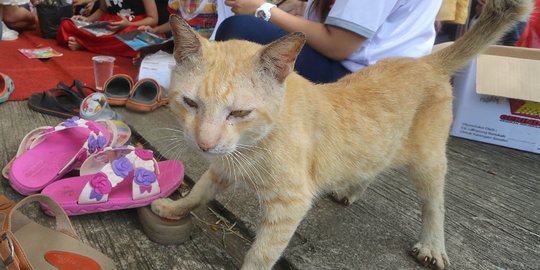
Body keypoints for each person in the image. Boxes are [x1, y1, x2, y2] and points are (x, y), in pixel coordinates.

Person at [215, 0, 443, 83]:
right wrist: (301, 10)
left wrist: (264, 10)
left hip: (365, 82)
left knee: (238, 28)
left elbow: (339, 45)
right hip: (395, 75)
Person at [56, 0, 159, 57]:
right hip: (108, 25)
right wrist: (87, 20)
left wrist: (128, 24)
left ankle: (85, 44)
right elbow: (102, 10)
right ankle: (93, 43)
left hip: (133, 25)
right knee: (66, 24)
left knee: (135, 38)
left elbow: (153, 19)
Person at [139, 0, 218, 39]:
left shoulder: (214, 2)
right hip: (183, 47)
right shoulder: (176, 2)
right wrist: (155, 30)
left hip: (208, 48)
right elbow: (175, 22)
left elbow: (221, 26)